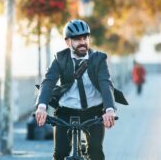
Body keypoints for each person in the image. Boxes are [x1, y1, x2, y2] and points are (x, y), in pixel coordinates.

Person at [35, 19, 117, 160]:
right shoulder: (60, 59)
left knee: (96, 152)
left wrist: (109, 110)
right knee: (60, 153)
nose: (82, 42)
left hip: (93, 113)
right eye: (77, 39)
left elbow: (106, 84)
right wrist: (41, 107)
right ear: (68, 42)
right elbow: (48, 82)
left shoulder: (98, 59)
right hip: (66, 112)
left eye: (85, 38)